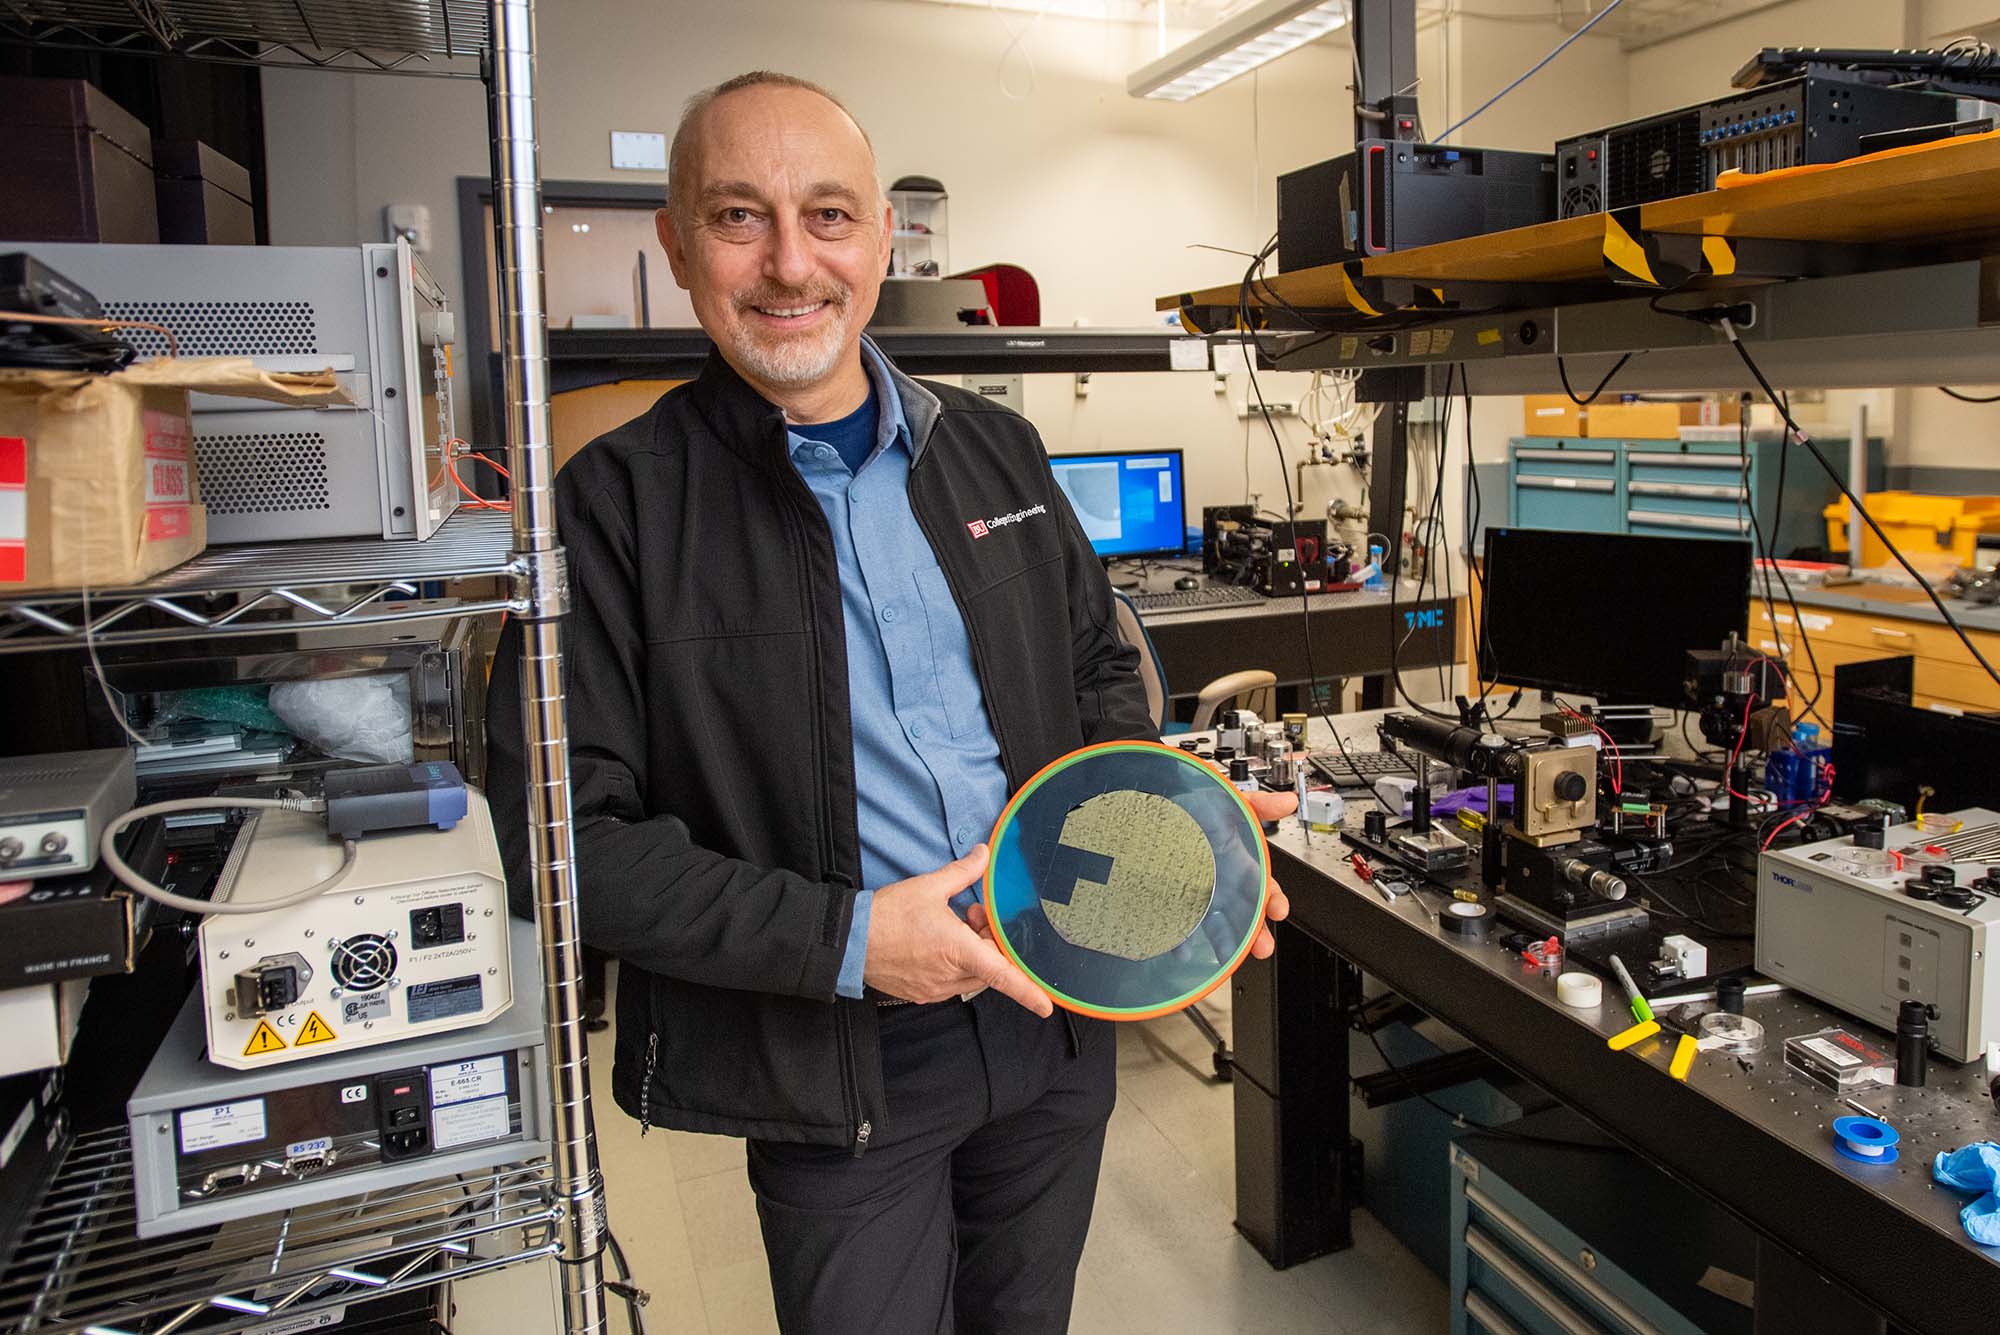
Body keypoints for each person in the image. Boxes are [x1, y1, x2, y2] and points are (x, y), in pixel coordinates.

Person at [486, 70, 1295, 1335]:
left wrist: (1171, 830)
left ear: (879, 238)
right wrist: (856, 942)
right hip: (834, 1056)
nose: (789, 263)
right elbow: (565, 847)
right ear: (678, 247)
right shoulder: (612, 510)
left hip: (1050, 1012)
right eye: (738, 217)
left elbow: (1095, 679)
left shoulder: (996, 449)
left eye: (828, 215)